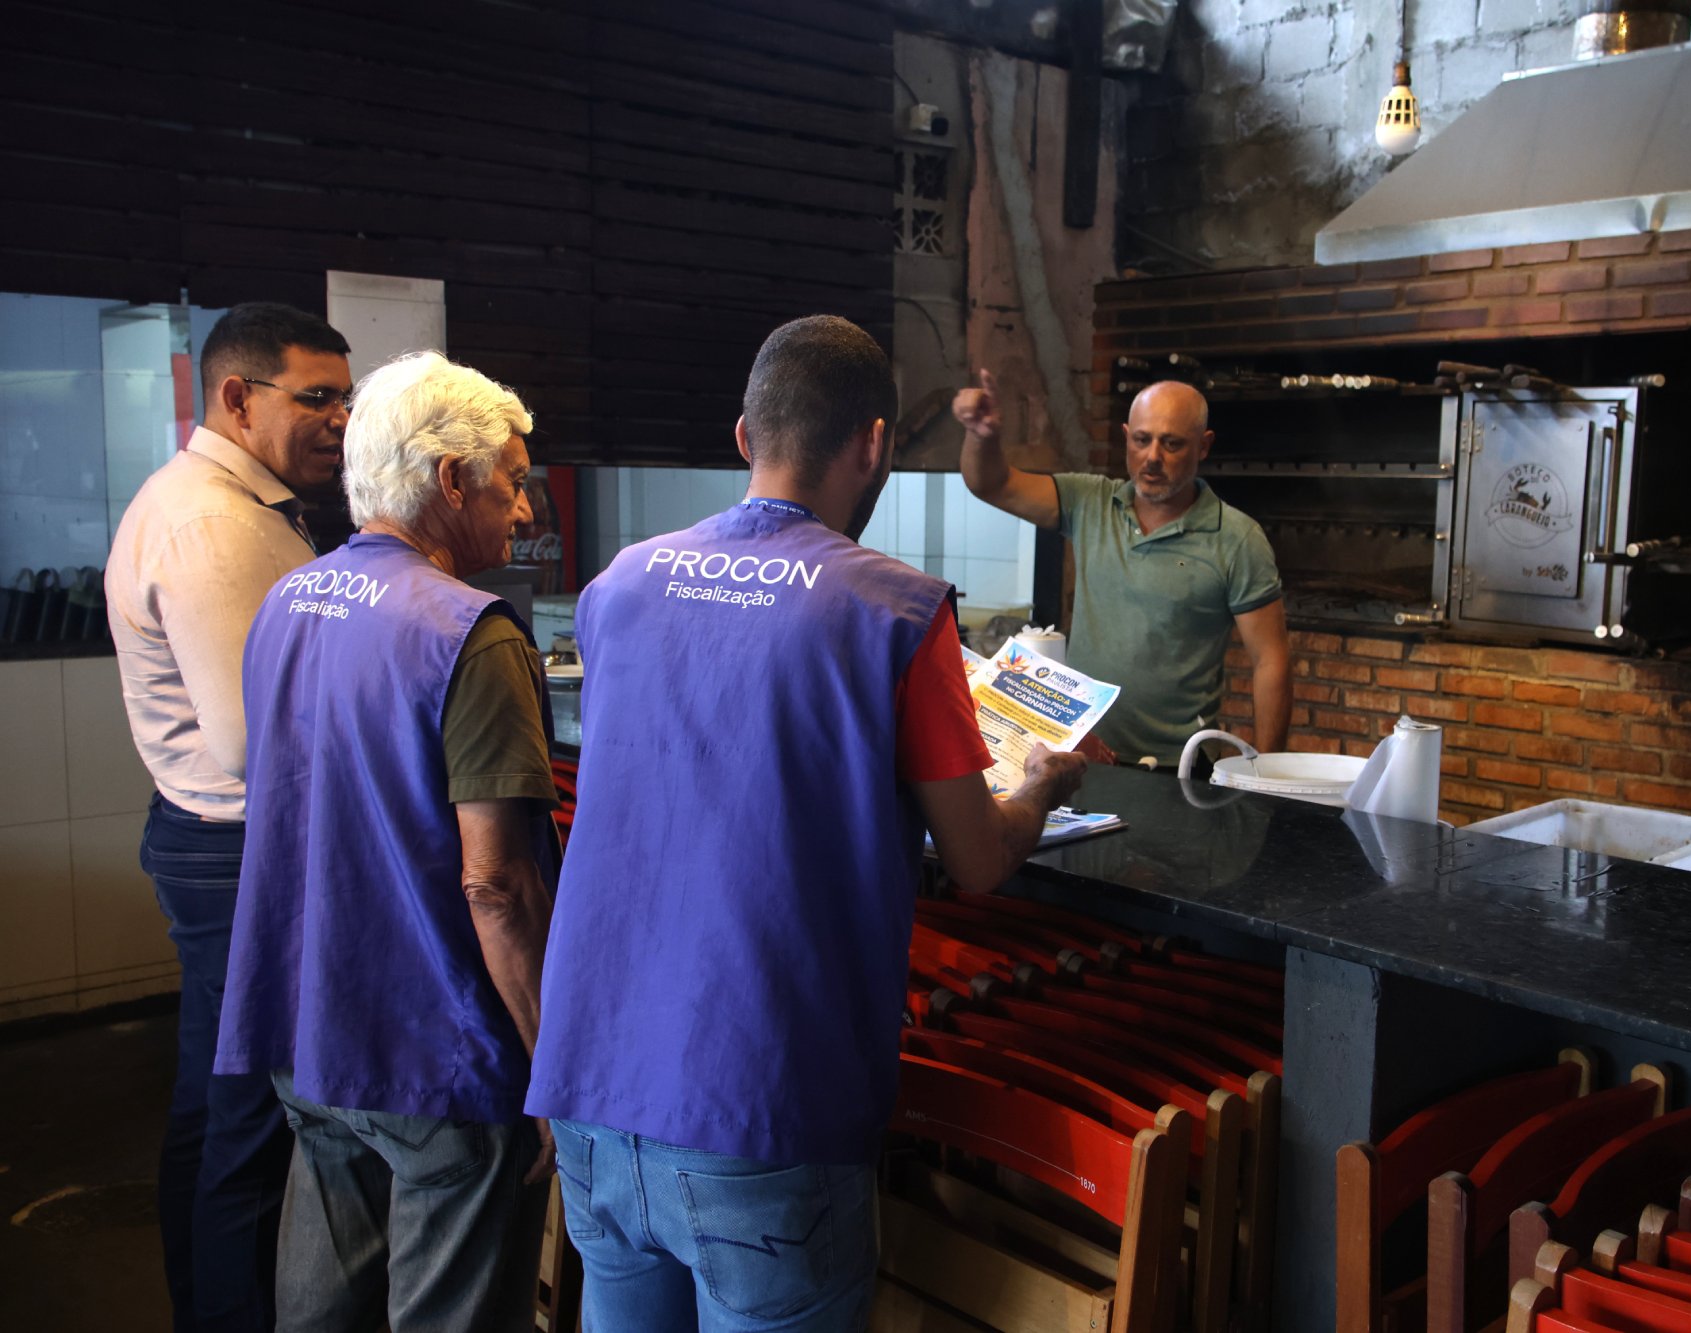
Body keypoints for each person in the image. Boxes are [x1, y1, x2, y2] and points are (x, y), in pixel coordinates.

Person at [528, 315, 1087, 1331]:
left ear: (746, 436)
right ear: (873, 444)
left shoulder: (619, 585)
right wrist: (1041, 785)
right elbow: (975, 859)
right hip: (757, 1102)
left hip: (591, 1090)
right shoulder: (894, 611)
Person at [214, 352, 559, 1332]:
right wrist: (553, 1066)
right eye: (512, 481)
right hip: (435, 1054)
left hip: (308, 1030)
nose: (522, 511)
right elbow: (497, 885)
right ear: (451, 479)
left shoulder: (289, 602)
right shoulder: (472, 634)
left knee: (320, 1314)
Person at [106, 301, 351, 1332]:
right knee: (250, 1128)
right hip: (240, 846)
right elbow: (256, 740)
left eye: (347, 398)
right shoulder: (213, 524)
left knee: (214, 1109)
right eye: (317, 397)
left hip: (213, 837)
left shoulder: (235, 504)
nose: (339, 420)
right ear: (238, 397)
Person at [956, 370, 1293, 765]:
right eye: (1142, 440)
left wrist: (1267, 775)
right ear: (1126, 437)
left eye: (1172, 443)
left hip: (1178, 764)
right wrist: (981, 436)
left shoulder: (1237, 538)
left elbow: (1271, 661)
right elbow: (992, 484)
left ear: (1204, 446)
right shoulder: (1090, 501)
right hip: (1084, 754)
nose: (1153, 457)